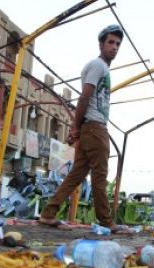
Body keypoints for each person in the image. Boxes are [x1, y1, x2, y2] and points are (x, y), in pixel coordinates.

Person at [38, 25, 123, 232]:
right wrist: (75, 129)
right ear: (101, 44)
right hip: (95, 128)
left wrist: (78, 130)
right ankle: (106, 222)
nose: (114, 47)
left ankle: (49, 214)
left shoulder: (102, 68)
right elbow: (84, 97)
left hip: (90, 128)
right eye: (110, 42)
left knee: (76, 175)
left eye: (118, 44)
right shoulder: (98, 65)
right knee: (100, 176)